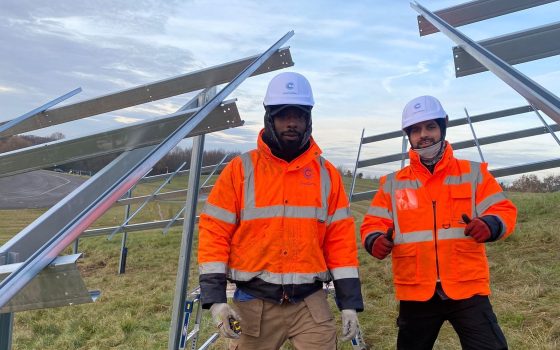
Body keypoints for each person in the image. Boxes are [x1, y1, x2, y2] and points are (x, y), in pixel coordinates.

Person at [198, 71, 364, 349]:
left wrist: (349, 304)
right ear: (270, 118)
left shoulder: (327, 175)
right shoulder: (240, 171)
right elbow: (214, 233)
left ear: (308, 120)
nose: (291, 123)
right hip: (253, 303)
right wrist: (216, 301)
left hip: (310, 304)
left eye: (298, 116)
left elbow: (341, 244)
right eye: (283, 115)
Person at [360, 95, 517, 350]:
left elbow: (504, 210)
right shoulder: (391, 184)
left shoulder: (474, 173)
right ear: (408, 135)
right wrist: (374, 240)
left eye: (430, 127)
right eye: (416, 130)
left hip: (467, 287)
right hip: (416, 290)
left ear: (443, 126)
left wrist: (490, 224)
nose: (424, 135)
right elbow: (372, 224)